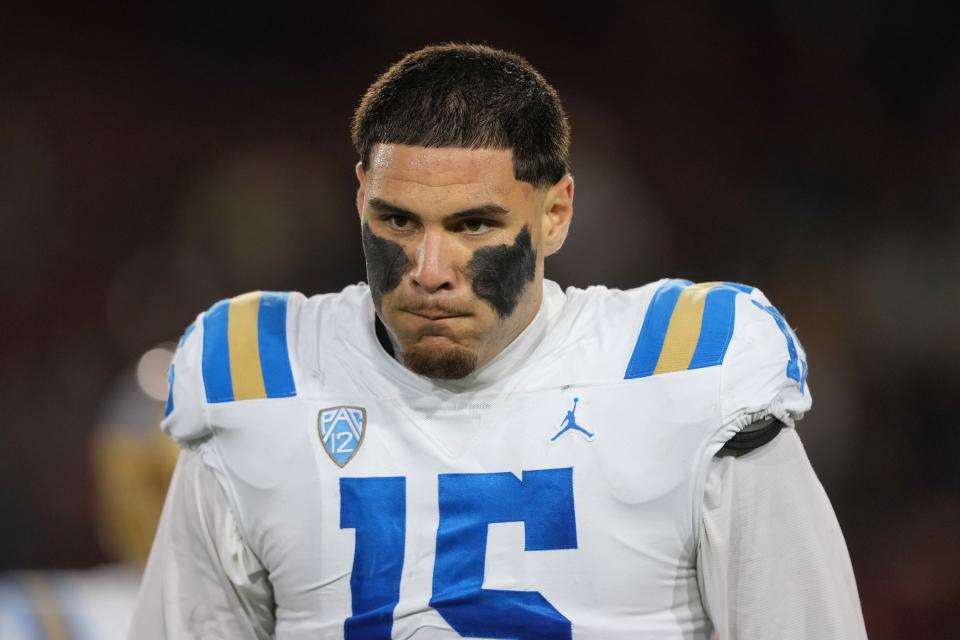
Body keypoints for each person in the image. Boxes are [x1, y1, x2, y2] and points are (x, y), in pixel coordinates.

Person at [130, 43, 867, 639]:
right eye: (397, 222)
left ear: (555, 213)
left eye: (472, 226)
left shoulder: (688, 375)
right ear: (359, 199)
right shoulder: (261, 381)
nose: (428, 271)